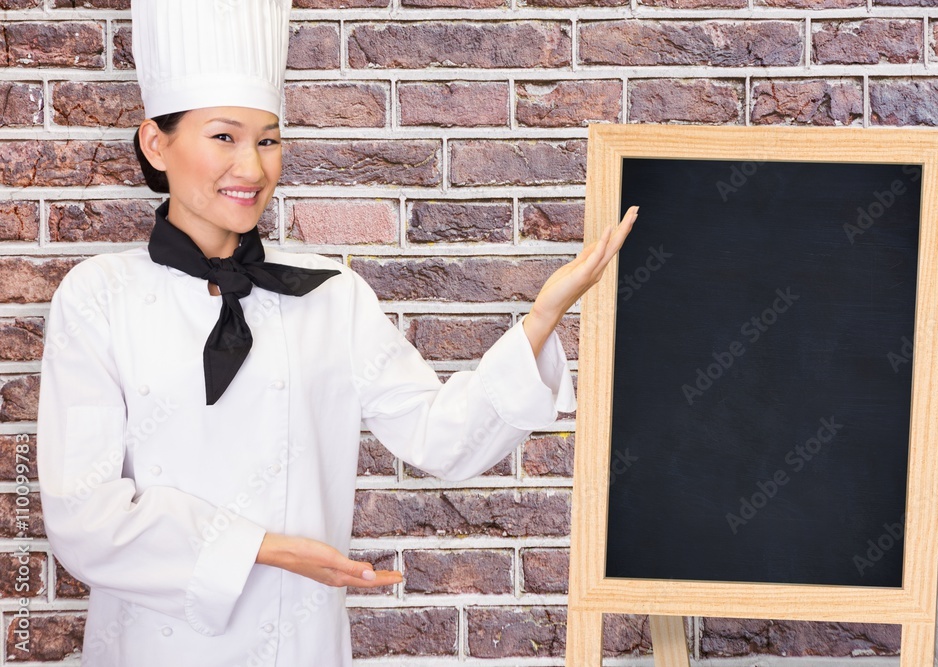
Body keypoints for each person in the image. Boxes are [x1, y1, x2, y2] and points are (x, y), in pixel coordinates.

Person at [36, 0, 638, 664]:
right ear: (157, 143)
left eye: (268, 140)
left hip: (298, 642)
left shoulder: (330, 293)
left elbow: (438, 434)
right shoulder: (98, 297)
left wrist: (542, 315)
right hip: (150, 647)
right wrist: (267, 547)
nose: (253, 168)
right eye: (224, 137)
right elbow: (83, 516)